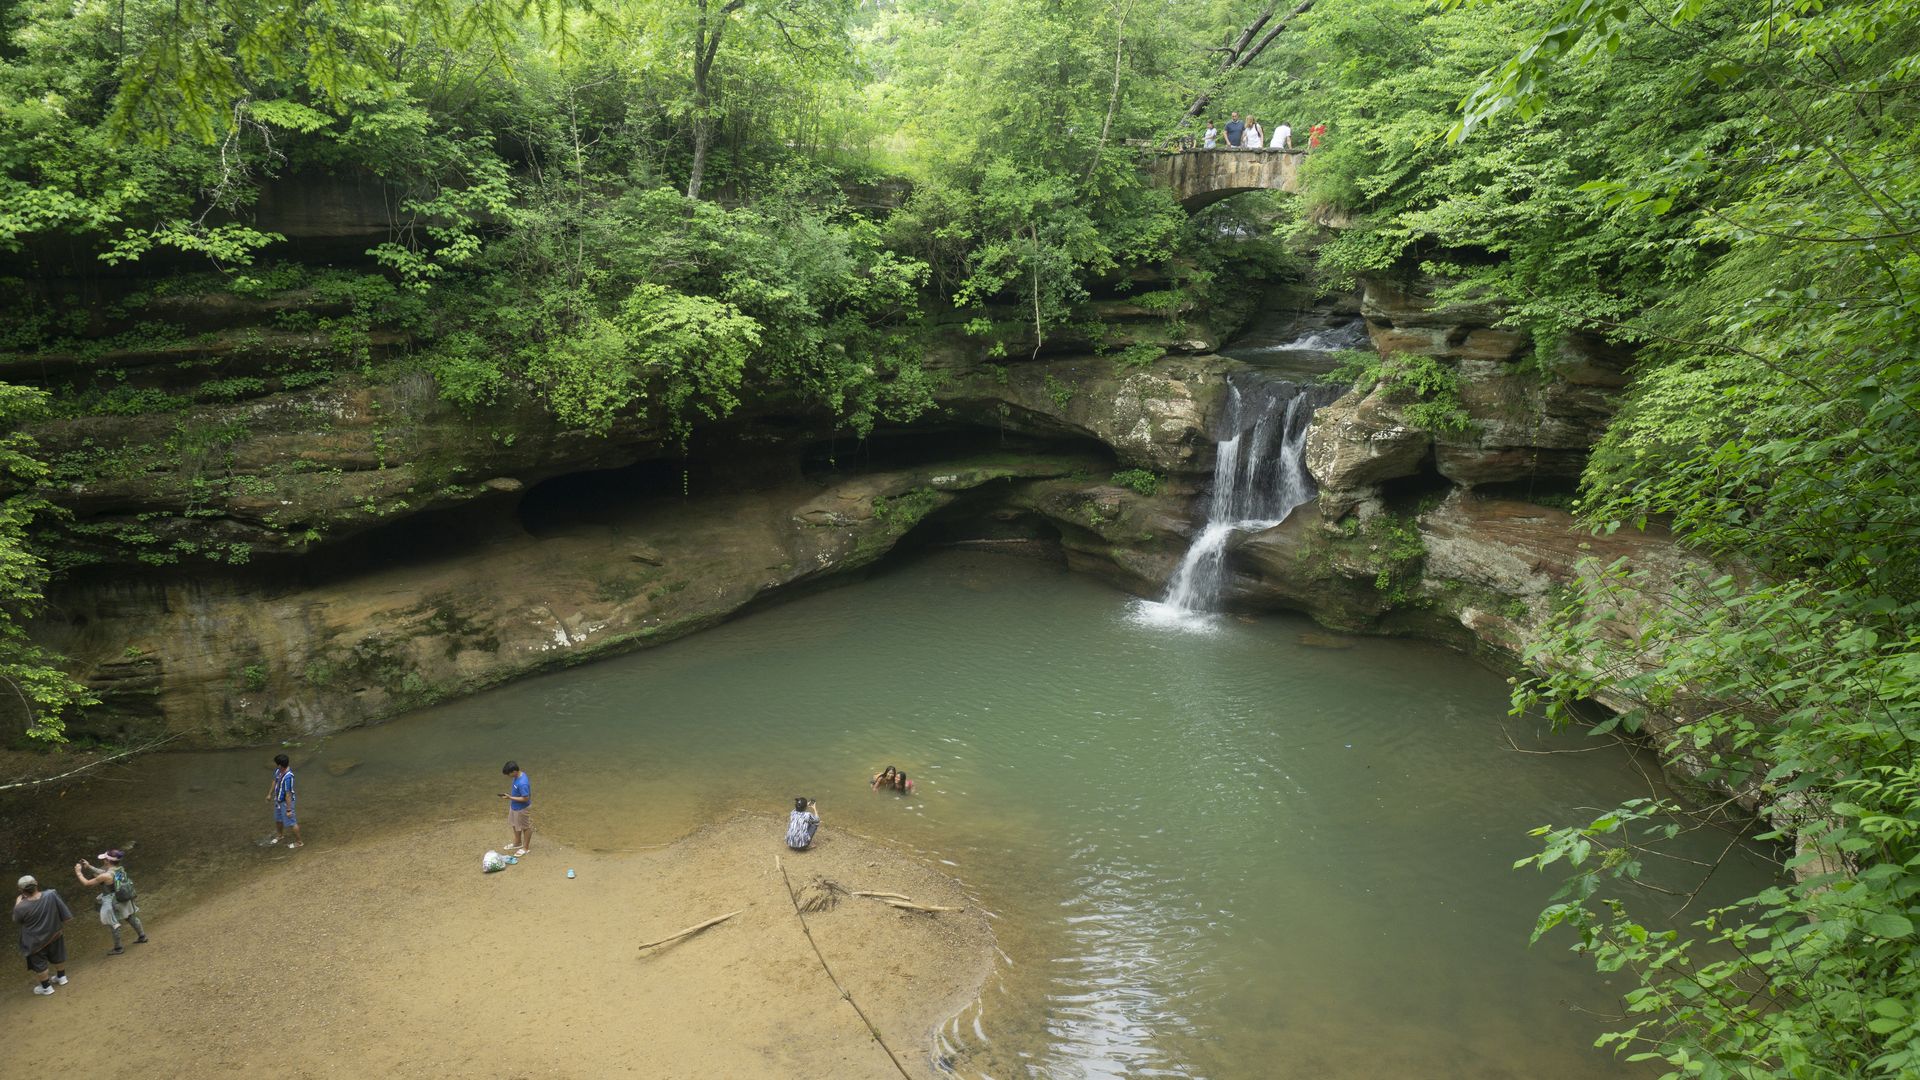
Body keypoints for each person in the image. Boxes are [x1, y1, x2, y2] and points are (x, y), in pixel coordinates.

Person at [74, 850, 147, 955]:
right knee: (131, 917)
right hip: (123, 897)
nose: (103, 860)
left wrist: (78, 872)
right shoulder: (119, 869)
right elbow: (104, 873)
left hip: (112, 901)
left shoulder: (106, 876)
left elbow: (87, 883)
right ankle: (142, 936)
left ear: (108, 861)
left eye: (104, 859)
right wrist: (89, 867)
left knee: (113, 923)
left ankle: (118, 948)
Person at [14, 875, 72, 997]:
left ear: (21, 890)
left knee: (40, 964)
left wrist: (18, 903)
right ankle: (62, 977)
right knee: (58, 955)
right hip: (55, 934)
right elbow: (65, 914)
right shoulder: (51, 894)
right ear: (36, 884)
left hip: (35, 942)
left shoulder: (21, 906)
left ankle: (47, 987)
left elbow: (17, 920)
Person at [268, 753, 303, 849]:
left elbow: (288, 794)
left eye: (277, 764)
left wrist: (288, 810)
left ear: (280, 765)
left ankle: (299, 842)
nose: (276, 766)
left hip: (286, 802)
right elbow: (274, 781)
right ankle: (280, 835)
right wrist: (270, 793)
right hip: (278, 800)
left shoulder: (288, 777)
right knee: (278, 819)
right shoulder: (278, 771)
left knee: (292, 822)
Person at [499, 761, 531, 857]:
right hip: (514, 806)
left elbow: (526, 798)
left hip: (522, 808)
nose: (508, 776)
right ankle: (517, 842)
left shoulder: (523, 783)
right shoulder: (516, 776)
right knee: (514, 823)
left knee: (526, 827)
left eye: (509, 774)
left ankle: (525, 848)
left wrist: (510, 797)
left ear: (514, 771)